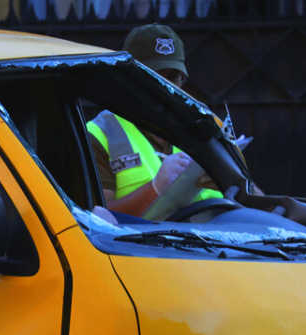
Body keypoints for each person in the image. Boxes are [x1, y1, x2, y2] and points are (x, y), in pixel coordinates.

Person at [86, 24, 225, 218]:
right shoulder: (100, 134)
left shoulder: (204, 129)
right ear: (130, 78)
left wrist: (228, 181)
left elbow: (251, 196)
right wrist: (155, 188)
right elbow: (98, 221)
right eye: (155, 77)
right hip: (134, 249)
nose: (167, 87)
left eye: (174, 77)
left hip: (211, 247)